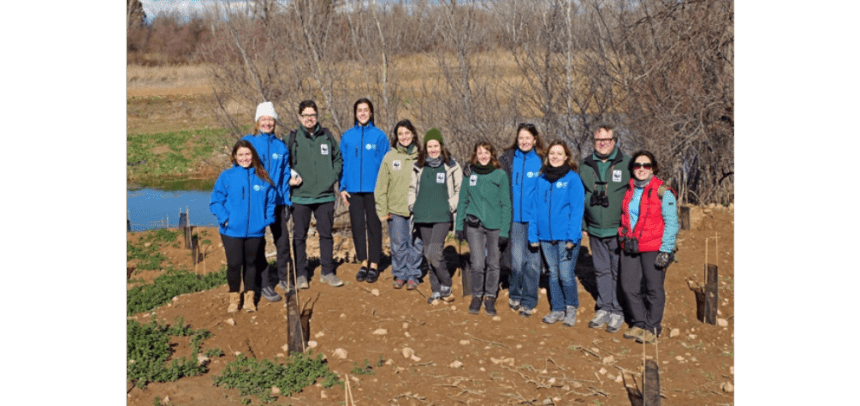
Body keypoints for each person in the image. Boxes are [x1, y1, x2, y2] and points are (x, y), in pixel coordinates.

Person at [618, 151, 679, 344]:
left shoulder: (663, 191)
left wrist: (666, 249)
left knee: (653, 288)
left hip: (654, 246)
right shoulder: (629, 189)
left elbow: (672, 222)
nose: (642, 169)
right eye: (637, 165)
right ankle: (639, 322)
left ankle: (652, 327)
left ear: (653, 168)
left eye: (646, 165)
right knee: (628, 286)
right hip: (631, 244)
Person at [210, 140, 276, 313]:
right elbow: (216, 201)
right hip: (231, 230)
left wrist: (266, 219)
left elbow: (271, 199)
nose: (244, 158)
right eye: (240, 155)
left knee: (251, 264)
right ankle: (234, 298)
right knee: (234, 264)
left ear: (253, 155)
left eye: (248, 154)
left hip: (255, 231)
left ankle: (249, 298)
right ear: (234, 157)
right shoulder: (227, 176)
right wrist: (225, 219)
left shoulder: (262, 177)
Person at [578, 123, 631, 333]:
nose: (602, 144)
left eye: (607, 140)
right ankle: (604, 307)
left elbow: (634, 194)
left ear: (614, 141)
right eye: (599, 140)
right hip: (594, 229)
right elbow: (580, 196)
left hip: (617, 229)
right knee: (600, 270)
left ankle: (618, 310)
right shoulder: (585, 165)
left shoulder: (627, 164)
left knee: (618, 270)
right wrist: (584, 224)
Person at [286, 100, 344, 288]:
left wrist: (332, 177)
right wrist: (288, 179)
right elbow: (281, 163)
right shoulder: (292, 139)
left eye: (312, 115)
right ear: (300, 117)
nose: (309, 118)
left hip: (325, 196)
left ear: (317, 116)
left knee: (326, 235)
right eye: (305, 115)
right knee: (299, 236)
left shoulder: (327, 136)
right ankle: (301, 274)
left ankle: (327, 271)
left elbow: (338, 159)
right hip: (300, 196)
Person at [528, 140, 584, 327]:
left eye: (559, 153)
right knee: (553, 274)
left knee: (566, 274)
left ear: (567, 156)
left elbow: (577, 210)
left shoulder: (572, 179)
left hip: (566, 236)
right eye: (552, 153)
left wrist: (572, 236)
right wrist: (533, 234)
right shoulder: (541, 179)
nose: (555, 156)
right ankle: (557, 309)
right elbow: (535, 208)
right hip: (545, 236)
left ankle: (571, 307)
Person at [241, 102, 292, 303]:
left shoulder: (281, 146)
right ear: (257, 121)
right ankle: (263, 284)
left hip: (278, 201)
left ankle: (284, 277)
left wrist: (286, 200)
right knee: (258, 243)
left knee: (282, 242)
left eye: (270, 119)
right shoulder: (248, 143)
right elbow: (239, 171)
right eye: (264, 119)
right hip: (256, 203)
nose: (267, 122)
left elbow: (285, 174)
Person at [455, 141, 511, 316]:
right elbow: (463, 200)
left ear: (492, 155)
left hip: (495, 226)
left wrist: (504, 230)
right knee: (478, 263)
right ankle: (477, 295)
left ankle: (490, 297)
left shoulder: (499, 175)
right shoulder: (470, 174)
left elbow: (506, 205)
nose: (483, 156)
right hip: (474, 226)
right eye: (480, 153)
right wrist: (458, 226)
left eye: (486, 152)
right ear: (475, 155)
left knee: (494, 264)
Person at [339, 98, 390, 283]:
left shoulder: (379, 136)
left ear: (371, 113)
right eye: (359, 110)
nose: (362, 113)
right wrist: (342, 187)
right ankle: (363, 262)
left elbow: (386, 165)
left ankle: (375, 264)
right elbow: (342, 163)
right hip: (353, 189)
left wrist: (385, 190)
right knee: (358, 226)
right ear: (355, 113)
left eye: (366, 110)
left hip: (374, 190)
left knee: (374, 227)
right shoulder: (347, 136)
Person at [408, 128, 463, 301]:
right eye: (429, 146)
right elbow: (411, 188)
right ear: (425, 148)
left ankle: (446, 282)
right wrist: (412, 205)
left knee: (434, 251)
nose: (433, 149)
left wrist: (450, 205)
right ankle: (436, 290)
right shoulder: (418, 166)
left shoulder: (451, 166)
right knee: (428, 252)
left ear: (441, 146)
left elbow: (460, 190)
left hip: (442, 216)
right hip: (423, 215)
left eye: (436, 145)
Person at [499, 123, 545, 317]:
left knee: (533, 263)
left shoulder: (543, 162)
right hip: (515, 220)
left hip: (535, 221)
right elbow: (486, 165)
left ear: (535, 139)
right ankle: (515, 293)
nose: (524, 142)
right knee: (517, 262)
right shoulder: (508, 160)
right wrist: (469, 168)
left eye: (528, 138)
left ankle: (529, 299)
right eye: (521, 138)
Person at [376, 120, 424, 292]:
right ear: (396, 137)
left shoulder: (422, 156)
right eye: (400, 134)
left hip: (417, 210)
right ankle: (400, 274)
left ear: (413, 134)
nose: (404, 137)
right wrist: (382, 210)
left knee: (416, 244)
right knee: (398, 244)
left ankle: (413, 274)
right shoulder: (390, 157)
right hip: (395, 209)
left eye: (407, 133)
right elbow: (381, 185)